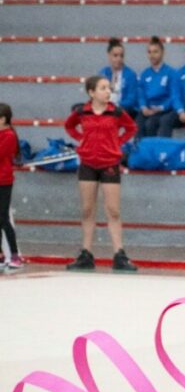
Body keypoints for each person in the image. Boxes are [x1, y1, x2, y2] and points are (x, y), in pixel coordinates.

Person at [63, 76, 139, 272]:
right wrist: (82, 139)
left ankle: (119, 254)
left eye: (109, 88)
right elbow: (69, 126)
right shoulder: (82, 111)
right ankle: (86, 254)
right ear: (91, 92)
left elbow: (131, 128)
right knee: (87, 209)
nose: (108, 92)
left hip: (109, 163)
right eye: (103, 88)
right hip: (88, 163)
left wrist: (116, 142)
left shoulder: (116, 112)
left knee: (113, 210)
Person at [0, 102, 25, 273]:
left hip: (4, 181)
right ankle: (2, 255)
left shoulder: (8, 136)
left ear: (2, 119)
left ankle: (15, 255)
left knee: (3, 219)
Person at [136, 36, 176, 139]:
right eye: (149, 52)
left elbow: (174, 96)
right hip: (148, 109)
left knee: (150, 124)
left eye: (155, 52)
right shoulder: (145, 74)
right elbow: (141, 94)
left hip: (163, 110)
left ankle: (155, 152)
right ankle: (138, 150)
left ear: (162, 52)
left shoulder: (170, 73)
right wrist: (144, 107)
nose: (152, 55)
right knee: (138, 121)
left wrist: (161, 108)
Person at [99, 38, 139, 119]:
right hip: (107, 107)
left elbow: (131, 99)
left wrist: (116, 106)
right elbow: (98, 94)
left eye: (121, 56)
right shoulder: (103, 73)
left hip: (124, 109)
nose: (119, 59)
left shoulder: (130, 74)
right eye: (115, 55)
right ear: (109, 56)